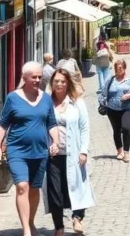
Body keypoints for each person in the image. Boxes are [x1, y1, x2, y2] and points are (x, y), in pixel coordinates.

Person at [0, 62, 59, 236]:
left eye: (40, 77)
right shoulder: (13, 98)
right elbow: (2, 124)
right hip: (17, 150)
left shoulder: (46, 98)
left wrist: (55, 141)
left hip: (39, 151)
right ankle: (26, 230)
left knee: (34, 189)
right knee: (22, 186)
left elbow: (51, 123)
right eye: (34, 77)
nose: (38, 80)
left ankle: (30, 221)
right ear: (24, 78)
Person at [46, 68, 95, 235]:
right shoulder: (46, 102)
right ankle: (59, 226)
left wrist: (83, 151)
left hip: (73, 153)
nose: (59, 84)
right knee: (55, 193)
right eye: (56, 81)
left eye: (63, 81)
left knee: (77, 187)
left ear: (68, 84)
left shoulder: (77, 102)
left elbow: (84, 128)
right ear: (52, 83)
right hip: (53, 155)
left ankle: (77, 217)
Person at [98, 58, 130, 163]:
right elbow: (103, 93)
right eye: (116, 68)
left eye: (120, 68)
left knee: (125, 128)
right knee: (116, 130)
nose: (118, 70)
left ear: (125, 68)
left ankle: (126, 153)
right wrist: (103, 103)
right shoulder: (110, 80)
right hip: (112, 110)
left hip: (127, 109)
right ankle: (119, 151)